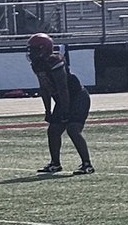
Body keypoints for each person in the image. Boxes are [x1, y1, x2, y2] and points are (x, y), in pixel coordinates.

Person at [26, 33, 95, 175]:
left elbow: (63, 89)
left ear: (43, 49)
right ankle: (55, 164)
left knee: (73, 129)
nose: (30, 52)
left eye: (33, 49)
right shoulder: (37, 65)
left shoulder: (55, 62)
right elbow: (44, 88)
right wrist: (48, 111)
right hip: (63, 99)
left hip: (77, 97)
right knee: (53, 130)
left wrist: (64, 110)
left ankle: (87, 164)